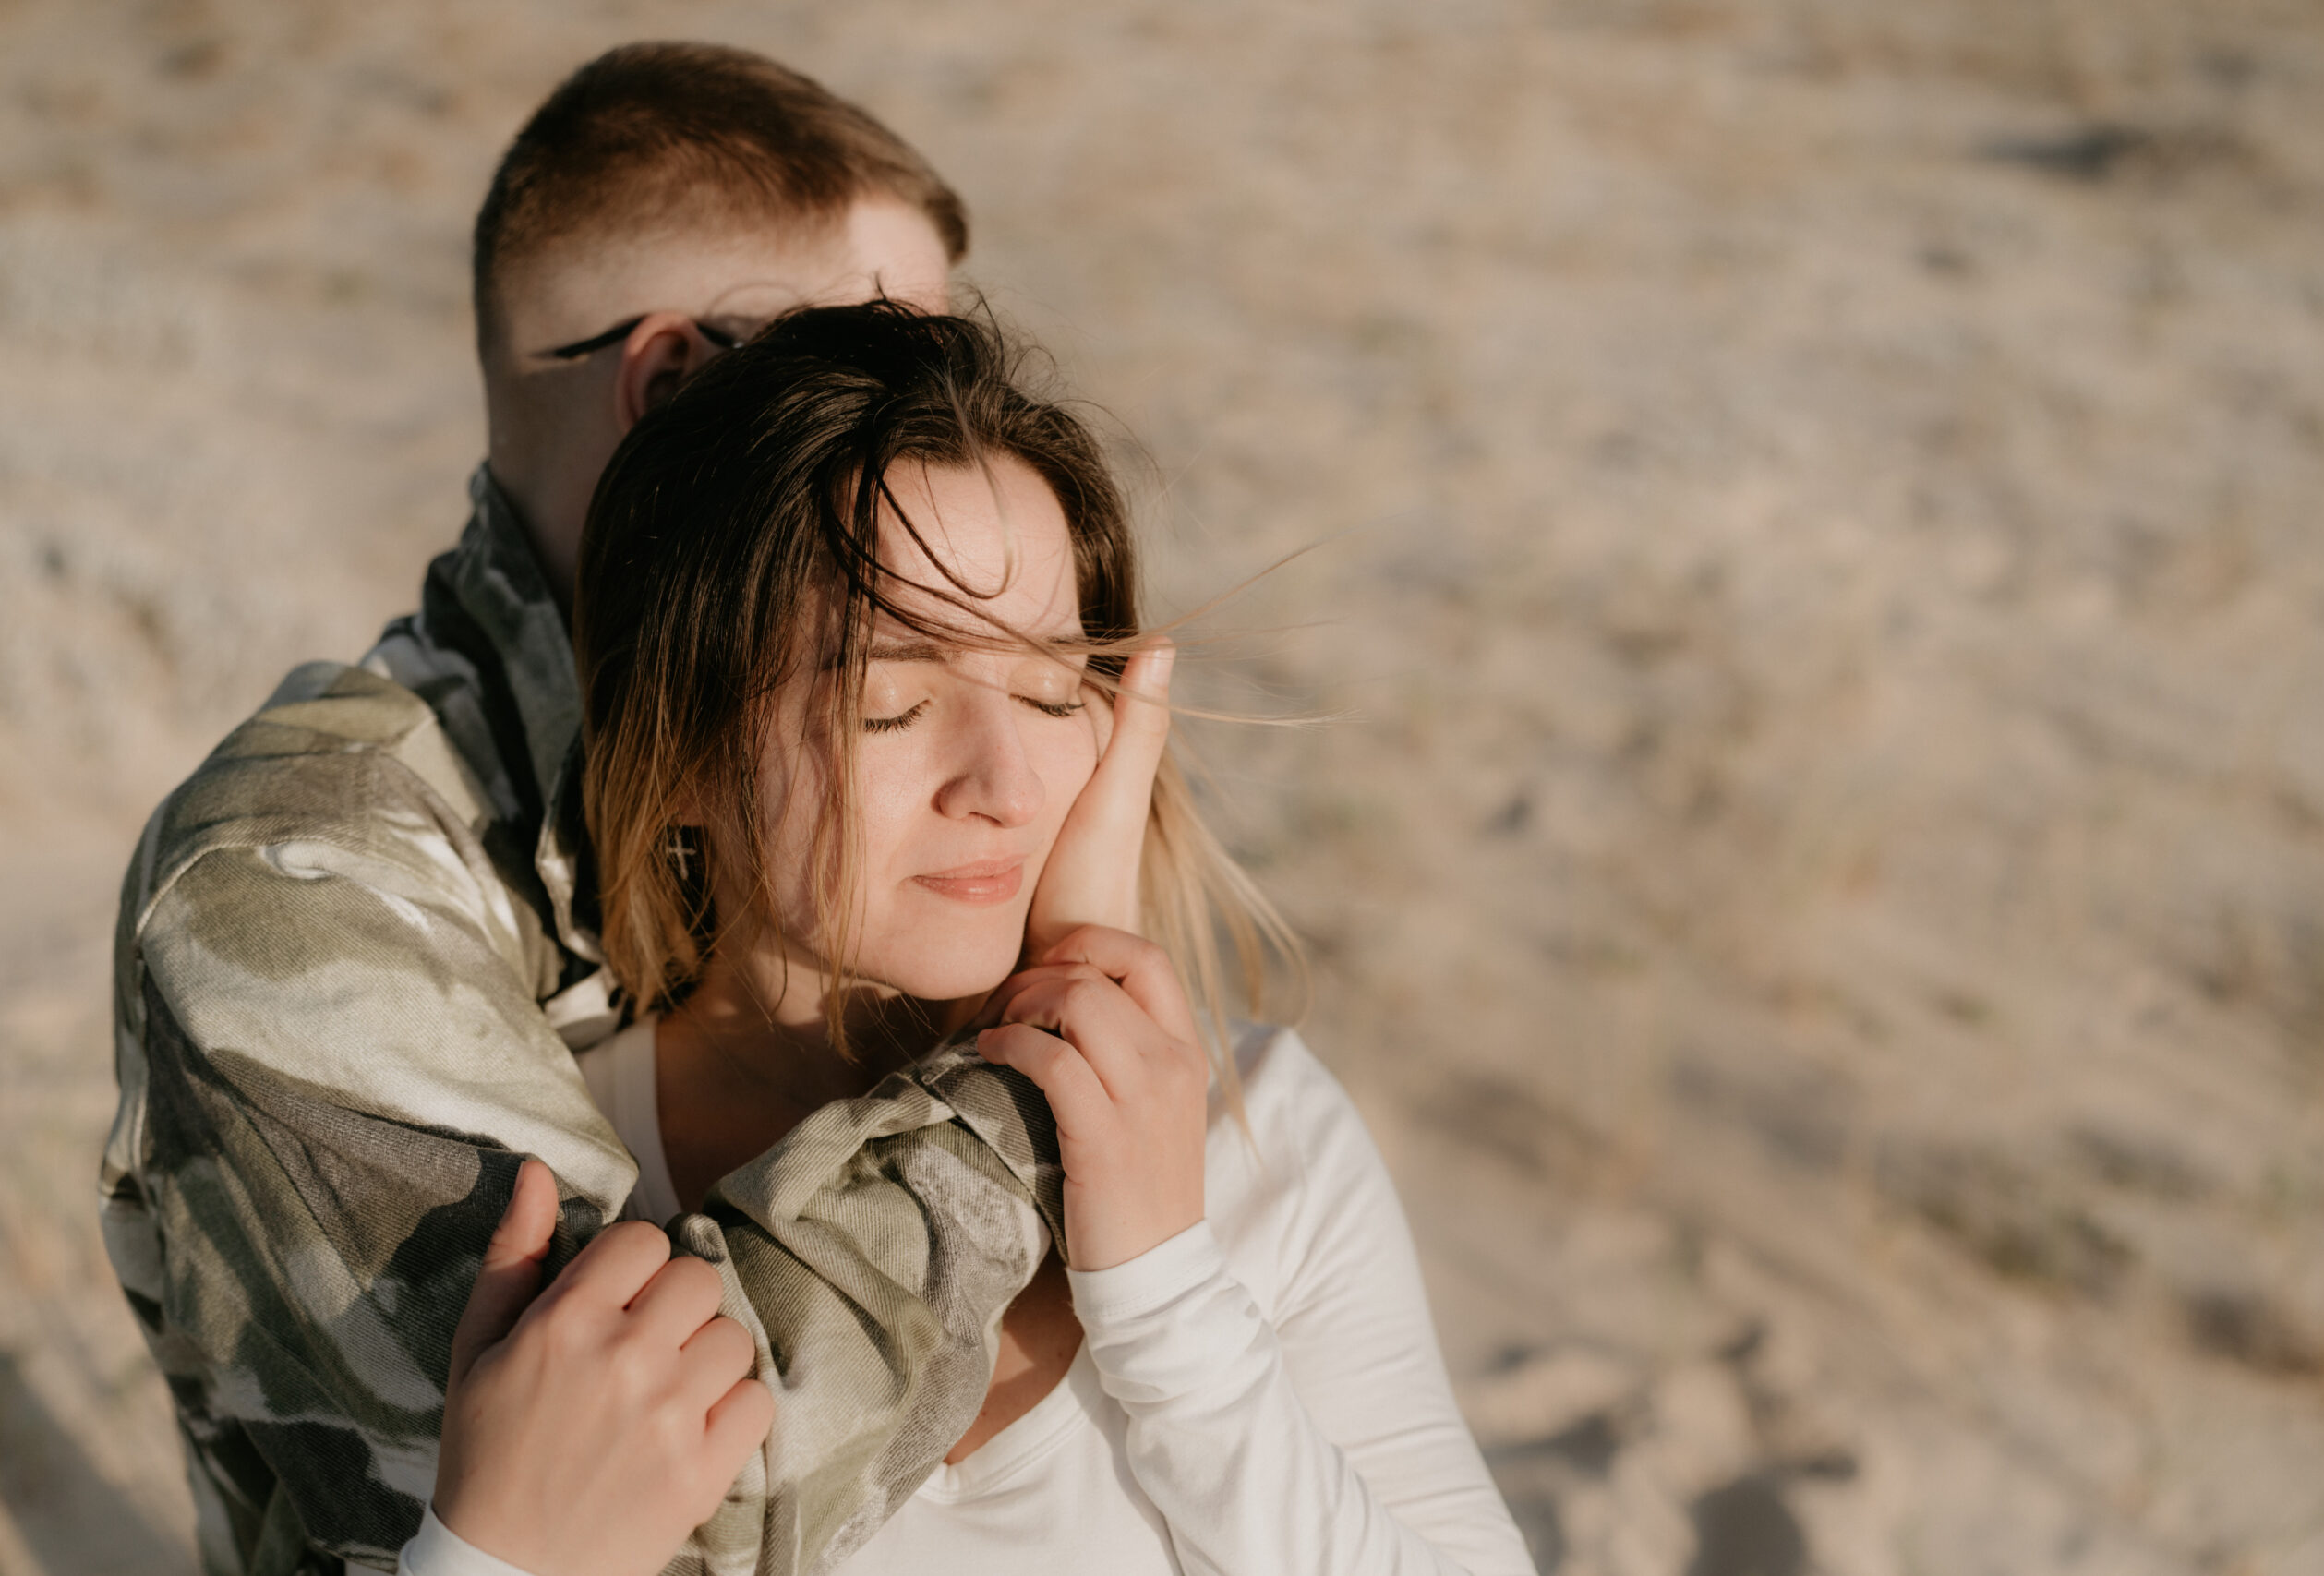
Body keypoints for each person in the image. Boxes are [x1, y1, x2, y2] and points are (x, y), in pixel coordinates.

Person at [101, 42, 1108, 1576]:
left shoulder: (874, 756)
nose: (945, 420)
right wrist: (1056, 1070)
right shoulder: (287, 882)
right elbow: (668, 1511)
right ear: (673, 387)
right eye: (876, 364)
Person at [408, 302, 1537, 1576]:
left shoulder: (1245, 1122)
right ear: (678, 753)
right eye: (890, 704)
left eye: (1053, 688)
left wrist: (1168, 1296)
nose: (1003, 780)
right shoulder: (558, 1206)